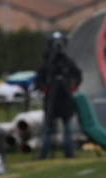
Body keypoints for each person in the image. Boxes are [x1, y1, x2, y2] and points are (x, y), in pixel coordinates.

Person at [34, 31, 82, 160]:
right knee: (48, 128)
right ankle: (43, 152)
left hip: (65, 99)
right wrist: (46, 88)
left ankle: (69, 151)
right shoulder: (47, 64)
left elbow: (77, 76)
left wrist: (71, 86)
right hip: (51, 101)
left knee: (68, 128)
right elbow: (38, 80)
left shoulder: (68, 62)